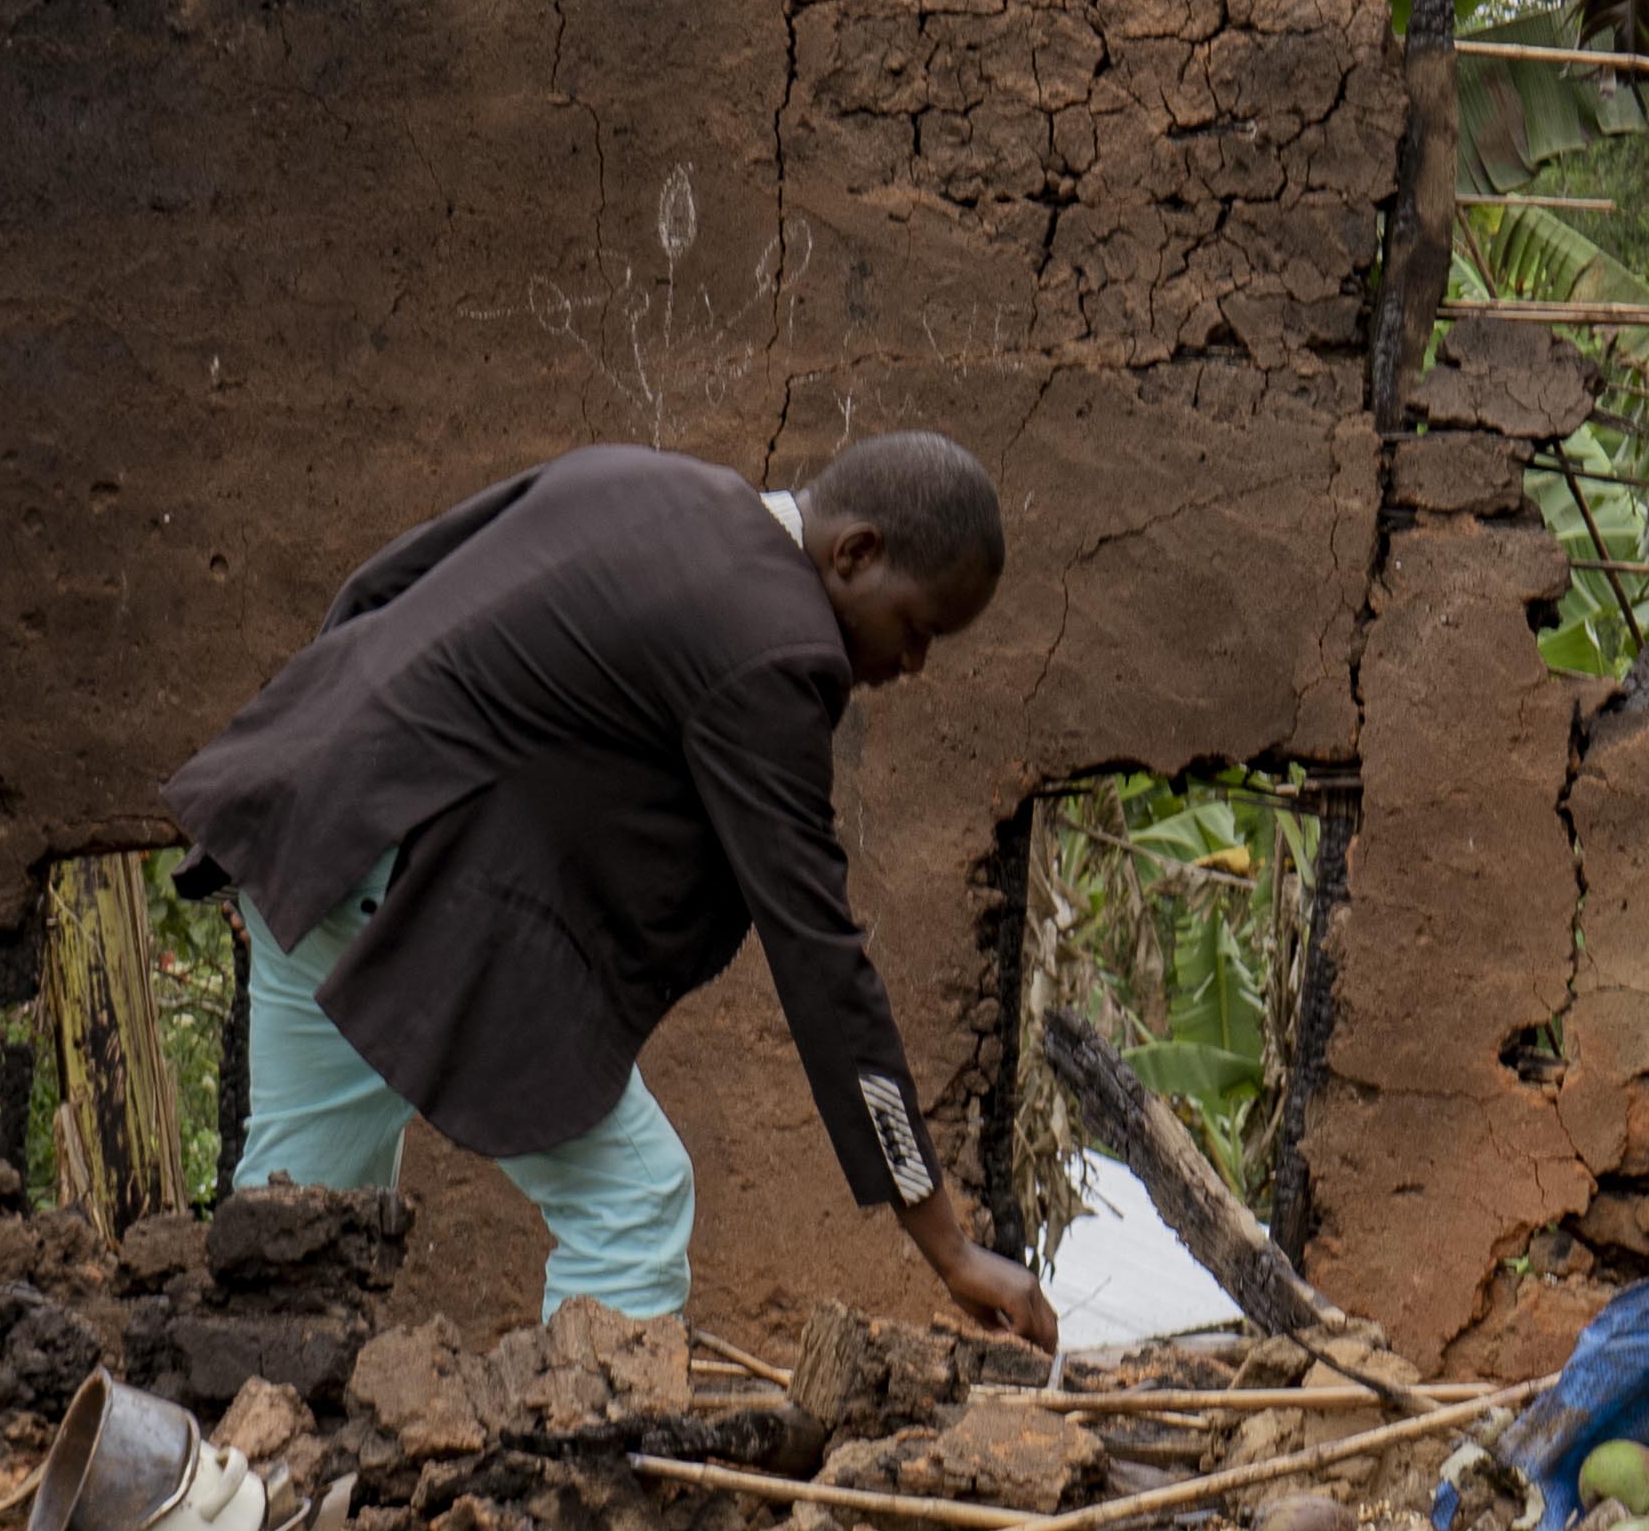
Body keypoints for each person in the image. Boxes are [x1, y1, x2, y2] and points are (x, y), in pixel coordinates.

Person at [161, 433, 1057, 1349]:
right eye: (918, 627)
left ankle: (246, 1426)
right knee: (633, 1200)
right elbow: (818, 954)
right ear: (856, 553)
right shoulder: (778, 646)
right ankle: (585, 1442)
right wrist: (947, 1246)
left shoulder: (638, 478)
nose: (914, 664)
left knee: (297, 1233)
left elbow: (385, 581)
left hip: (315, 828)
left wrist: (327, 798)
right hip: (411, 894)